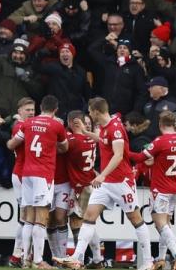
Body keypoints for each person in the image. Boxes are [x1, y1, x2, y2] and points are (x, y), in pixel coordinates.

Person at [53, 97, 153, 270]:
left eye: (91, 112)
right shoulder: (107, 128)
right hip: (106, 184)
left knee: (136, 219)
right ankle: (77, 258)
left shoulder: (116, 128)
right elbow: (104, 142)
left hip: (122, 181)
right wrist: (86, 132)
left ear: (96, 111)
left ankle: (148, 261)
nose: (90, 115)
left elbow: (119, 154)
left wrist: (102, 175)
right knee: (89, 217)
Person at [6, 95, 68, 269]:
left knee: (27, 218)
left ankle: (25, 258)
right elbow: (65, 148)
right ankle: (38, 261)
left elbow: (11, 145)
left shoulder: (27, 124)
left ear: (40, 107)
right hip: (43, 174)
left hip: (26, 174)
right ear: (56, 109)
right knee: (41, 218)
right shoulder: (56, 125)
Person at [132, 111, 176, 270]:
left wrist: (122, 151)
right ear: (174, 124)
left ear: (160, 124)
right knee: (165, 224)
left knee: (160, 224)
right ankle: (161, 259)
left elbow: (140, 158)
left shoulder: (160, 141)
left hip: (160, 189)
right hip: (175, 188)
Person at [66, 111, 103, 267]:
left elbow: (58, 146)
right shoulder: (91, 139)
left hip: (80, 186)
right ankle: (97, 259)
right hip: (88, 183)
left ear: (72, 122)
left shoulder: (73, 140)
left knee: (77, 221)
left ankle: (79, 260)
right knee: (89, 222)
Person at [8, 97, 36, 267]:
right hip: (21, 174)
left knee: (26, 217)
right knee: (26, 217)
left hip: (30, 175)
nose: (31, 113)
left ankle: (19, 254)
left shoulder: (28, 126)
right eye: (27, 110)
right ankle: (20, 254)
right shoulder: (19, 126)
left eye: (33, 110)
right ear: (19, 112)